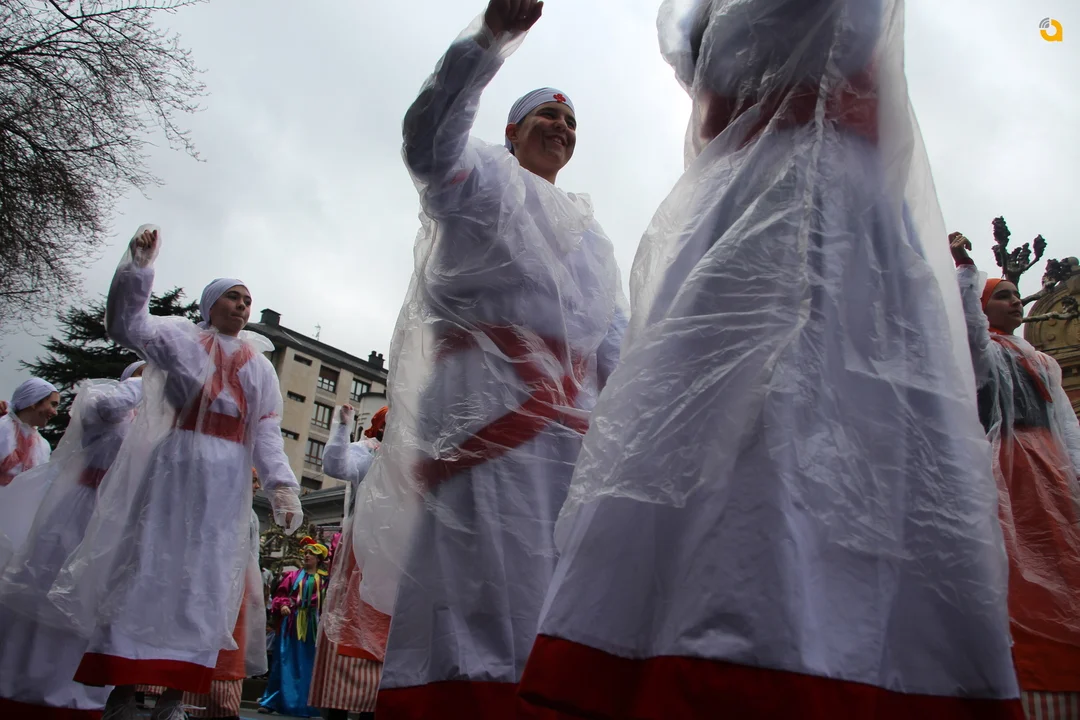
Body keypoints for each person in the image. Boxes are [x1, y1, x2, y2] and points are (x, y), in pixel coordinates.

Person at [516, 1, 1024, 717]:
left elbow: (748, 48)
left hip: (824, 222)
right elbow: (710, 58)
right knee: (736, 437)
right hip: (760, 218)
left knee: (832, 435)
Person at [331, 1, 626, 717]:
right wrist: (490, 41)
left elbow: (613, 341)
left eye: (571, 123)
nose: (562, 128)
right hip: (481, 420)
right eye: (547, 116)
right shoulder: (480, 181)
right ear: (511, 130)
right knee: (476, 581)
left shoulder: (591, 236)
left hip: (569, 439)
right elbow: (427, 140)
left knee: (555, 582)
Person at [45, 225, 304, 720]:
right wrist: (138, 268)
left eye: (247, 300)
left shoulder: (260, 366)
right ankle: (123, 690)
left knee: (207, 576)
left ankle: (174, 697)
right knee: (152, 561)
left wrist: (282, 487)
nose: (242, 306)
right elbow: (127, 325)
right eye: (232, 296)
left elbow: (267, 429)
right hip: (178, 465)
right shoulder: (182, 340)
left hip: (227, 479)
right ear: (210, 304)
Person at [951, 231, 1080, 717]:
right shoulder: (979, 352)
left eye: (1014, 295)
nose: (1014, 302)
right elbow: (968, 330)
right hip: (1006, 469)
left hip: (1051, 470)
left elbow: (1066, 424)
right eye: (1002, 296)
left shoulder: (1042, 361)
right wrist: (965, 273)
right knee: (1013, 561)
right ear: (982, 308)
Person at [0, 364, 144, 719]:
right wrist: (150, 378)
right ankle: (22, 688)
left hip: (116, 522)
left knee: (93, 606)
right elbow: (105, 409)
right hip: (79, 513)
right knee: (48, 593)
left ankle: (77, 696)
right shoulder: (104, 404)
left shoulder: (152, 424)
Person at [311, 404, 386, 720]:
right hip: (362, 548)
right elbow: (336, 465)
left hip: (397, 553)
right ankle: (338, 703)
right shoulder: (368, 451)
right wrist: (341, 428)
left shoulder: (415, 453)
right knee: (348, 618)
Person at [181, 471, 268, 720]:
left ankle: (225, 705)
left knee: (230, 649)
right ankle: (195, 702)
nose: (256, 487)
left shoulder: (251, 516)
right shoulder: (220, 506)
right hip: (212, 585)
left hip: (238, 588)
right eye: (253, 481)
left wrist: (253, 593)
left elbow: (252, 557)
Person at [259, 537, 329, 717]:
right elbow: (279, 595)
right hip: (292, 623)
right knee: (284, 661)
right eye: (306, 553)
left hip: (313, 625)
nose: (306, 556)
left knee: (308, 663)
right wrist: (283, 605)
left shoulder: (324, 579)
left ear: (318, 559)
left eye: (311, 554)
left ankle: (307, 703)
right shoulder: (292, 576)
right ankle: (273, 700)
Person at [0, 377, 58, 486]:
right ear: (34, 402)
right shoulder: (3, 428)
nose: (55, 412)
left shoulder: (42, 446)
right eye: (53, 404)